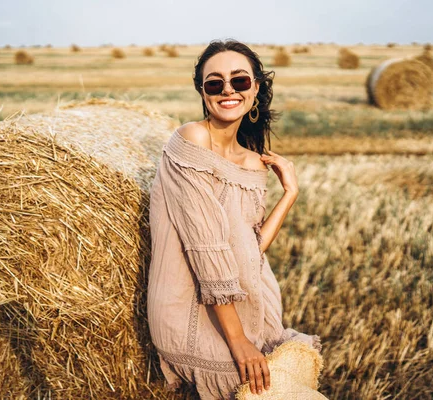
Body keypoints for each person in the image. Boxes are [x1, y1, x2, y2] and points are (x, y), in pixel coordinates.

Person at [147, 39, 322, 400]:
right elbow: (205, 247)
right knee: (257, 388)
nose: (228, 89)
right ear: (202, 91)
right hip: (191, 308)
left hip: (245, 298)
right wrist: (238, 340)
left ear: (256, 88)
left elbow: (251, 249)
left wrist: (289, 195)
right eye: (215, 83)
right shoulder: (191, 139)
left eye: (239, 81)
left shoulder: (253, 160)